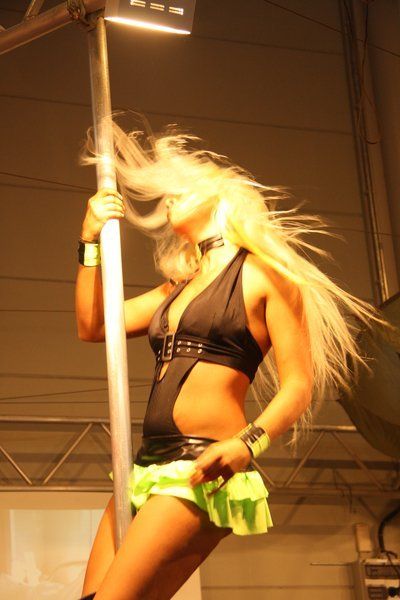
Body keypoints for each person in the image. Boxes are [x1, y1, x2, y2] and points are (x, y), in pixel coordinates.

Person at [75, 120, 389, 599]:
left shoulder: (266, 275)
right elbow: (94, 326)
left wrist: (249, 443)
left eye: (182, 189)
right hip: (147, 464)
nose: (169, 199)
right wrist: (89, 240)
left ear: (220, 196)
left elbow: (299, 385)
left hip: (202, 465)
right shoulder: (175, 288)